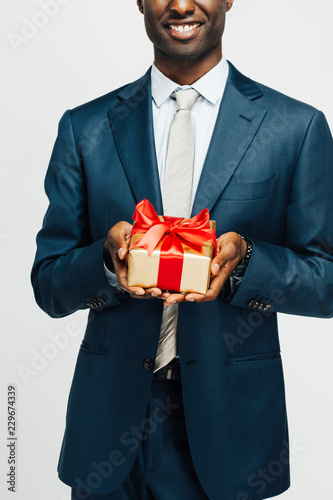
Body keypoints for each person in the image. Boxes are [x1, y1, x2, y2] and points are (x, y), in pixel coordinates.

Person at [31, 1, 333, 499]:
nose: (181, 4)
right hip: (106, 432)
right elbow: (48, 284)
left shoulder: (294, 128)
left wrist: (247, 265)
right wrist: (106, 262)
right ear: (141, 2)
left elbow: (324, 281)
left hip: (230, 432)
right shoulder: (84, 128)